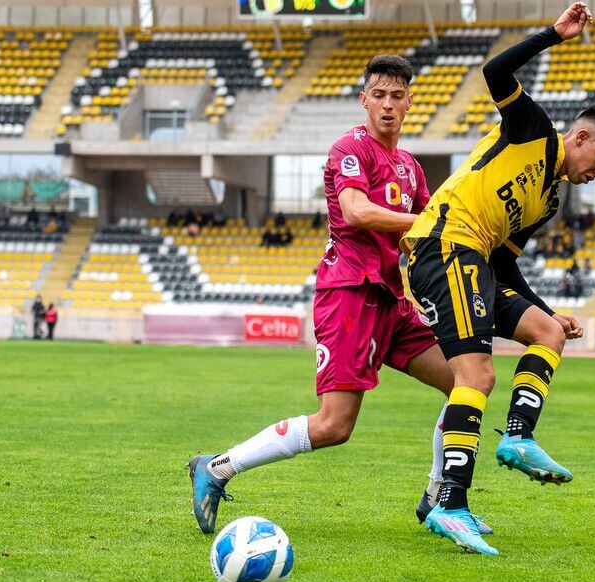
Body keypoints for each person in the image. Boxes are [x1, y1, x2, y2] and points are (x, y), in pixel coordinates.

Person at [187, 53, 456, 538]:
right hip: (350, 293)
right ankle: (217, 466)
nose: (388, 105)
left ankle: (441, 497)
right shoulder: (350, 149)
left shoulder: (412, 168)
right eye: (379, 95)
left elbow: (432, 235)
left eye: (397, 96)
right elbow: (355, 211)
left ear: (410, 103)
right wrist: (430, 222)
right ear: (364, 100)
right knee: (334, 426)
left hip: (394, 302)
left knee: (467, 381)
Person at [403, 2, 595, 555]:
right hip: (443, 246)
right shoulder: (534, 131)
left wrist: (546, 312)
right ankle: (449, 504)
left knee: (547, 334)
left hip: (477, 261)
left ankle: (520, 439)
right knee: (475, 375)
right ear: (578, 137)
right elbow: (495, 74)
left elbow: (505, 265)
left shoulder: (549, 198)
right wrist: (554, 34)